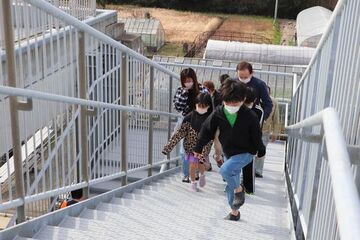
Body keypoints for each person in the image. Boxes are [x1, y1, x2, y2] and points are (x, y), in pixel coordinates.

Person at [194, 80, 265, 221]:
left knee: (225, 171)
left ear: (243, 100)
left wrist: (261, 150)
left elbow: (257, 135)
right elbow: (207, 130)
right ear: (223, 99)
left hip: (246, 152)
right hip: (229, 152)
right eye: (229, 102)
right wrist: (198, 147)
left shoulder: (250, 116)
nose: (232, 106)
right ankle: (234, 212)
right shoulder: (219, 112)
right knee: (229, 184)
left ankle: (240, 189)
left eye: (236, 103)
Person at [163, 93, 213, 192]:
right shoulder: (189, 117)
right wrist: (168, 147)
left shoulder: (212, 118)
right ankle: (193, 183)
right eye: (199, 106)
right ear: (195, 105)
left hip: (203, 147)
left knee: (200, 164)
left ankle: (202, 175)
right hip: (190, 146)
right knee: (192, 164)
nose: (201, 108)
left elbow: (216, 135)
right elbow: (179, 133)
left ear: (208, 106)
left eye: (203, 106)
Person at [173, 68, 208, 183]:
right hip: (185, 121)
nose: (187, 82)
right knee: (184, 151)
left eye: (189, 80)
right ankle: (187, 174)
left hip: (200, 122)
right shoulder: (180, 91)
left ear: (194, 78)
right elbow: (178, 107)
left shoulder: (203, 89)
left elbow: (209, 106)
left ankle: (195, 171)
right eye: (184, 80)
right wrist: (184, 93)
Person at [242, 87, 264, 194]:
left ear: (254, 100)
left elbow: (257, 129)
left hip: (250, 142)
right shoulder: (236, 106)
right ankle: (233, 185)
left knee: (248, 165)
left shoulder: (258, 111)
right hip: (235, 141)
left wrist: (259, 146)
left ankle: (248, 188)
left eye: (249, 102)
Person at [255, 85, 280, 178]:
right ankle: (250, 169)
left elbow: (276, 119)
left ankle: (258, 170)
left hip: (265, 131)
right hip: (254, 130)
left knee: (262, 150)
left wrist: (275, 132)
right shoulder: (256, 100)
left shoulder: (274, 102)